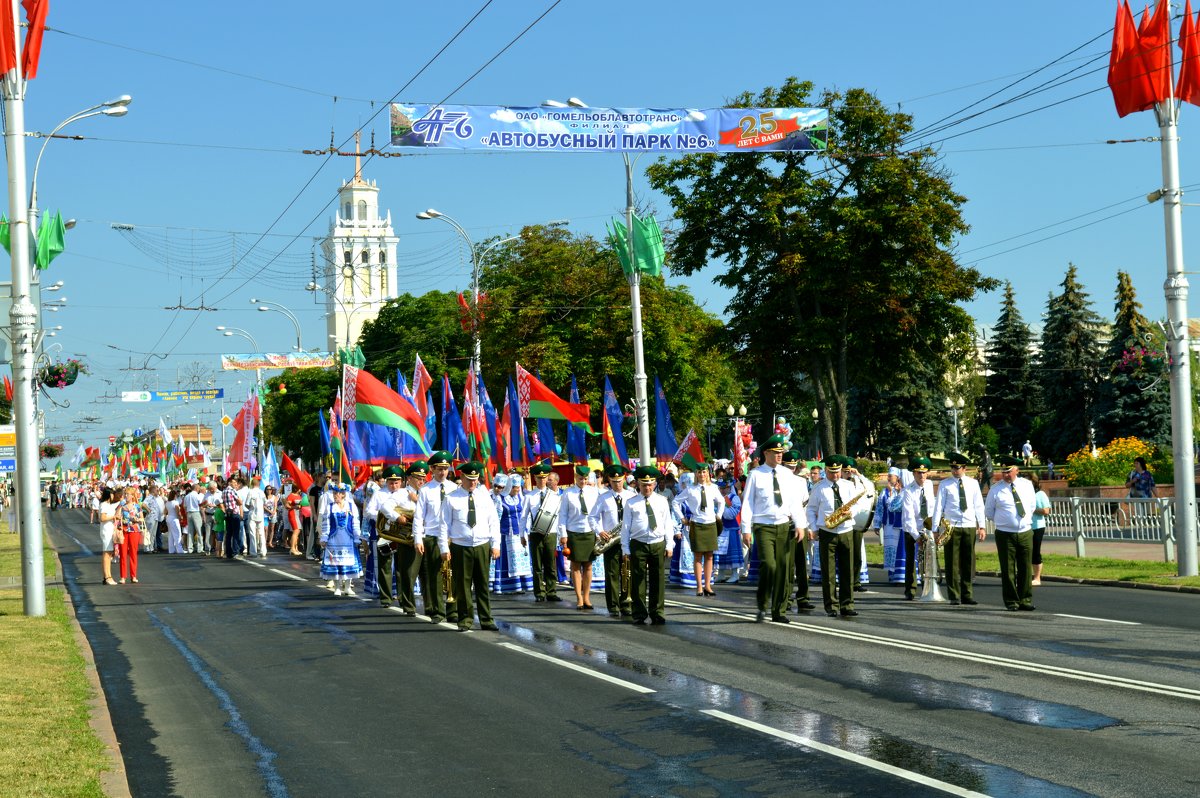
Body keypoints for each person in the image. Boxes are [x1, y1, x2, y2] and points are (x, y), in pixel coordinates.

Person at [741, 434, 808, 623]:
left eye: (781, 452)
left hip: (784, 525)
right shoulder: (755, 475)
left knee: (783, 569)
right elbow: (747, 504)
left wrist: (800, 524)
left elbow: (794, 502)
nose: (779, 456)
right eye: (775, 452)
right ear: (766, 453)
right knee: (769, 565)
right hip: (763, 525)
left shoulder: (787, 475)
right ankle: (762, 603)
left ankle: (779, 610)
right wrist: (746, 529)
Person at [438, 461, 501, 632]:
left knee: (483, 583)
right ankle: (465, 619)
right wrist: (444, 548)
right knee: (463, 585)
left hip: (482, 544)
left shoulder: (484, 497)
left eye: (475, 479)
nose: (473, 482)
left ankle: (486, 619)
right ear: (461, 477)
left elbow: (493, 521)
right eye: (469, 479)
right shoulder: (451, 498)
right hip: (460, 545)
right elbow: (444, 525)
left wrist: (496, 544)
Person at [620, 465, 675, 625]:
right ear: (638, 484)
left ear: (655, 484)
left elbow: (667, 524)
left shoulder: (662, 501)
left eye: (650, 484)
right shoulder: (631, 503)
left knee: (658, 580)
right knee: (638, 581)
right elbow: (626, 528)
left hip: (657, 543)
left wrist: (669, 545)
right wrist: (625, 548)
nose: (647, 487)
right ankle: (639, 613)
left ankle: (657, 612)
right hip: (638, 544)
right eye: (644, 485)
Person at [931, 451, 987, 605]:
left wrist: (981, 526)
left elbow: (978, 506)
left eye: (958, 468)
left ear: (964, 468)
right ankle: (954, 595)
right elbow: (938, 507)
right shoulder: (945, 484)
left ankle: (967, 594)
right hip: (952, 527)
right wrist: (935, 529)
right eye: (953, 468)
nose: (955, 471)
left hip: (969, 525)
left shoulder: (973, 483)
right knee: (952, 562)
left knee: (968, 561)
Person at [806, 455, 858, 617]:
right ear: (825, 470)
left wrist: (851, 512)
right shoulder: (819, 487)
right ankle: (831, 606)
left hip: (846, 530)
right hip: (827, 532)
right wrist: (813, 528)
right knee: (828, 572)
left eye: (837, 472)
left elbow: (858, 505)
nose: (835, 475)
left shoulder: (849, 486)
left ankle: (847, 604)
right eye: (831, 472)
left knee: (847, 569)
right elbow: (811, 510)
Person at [984, 455, 1037, 611]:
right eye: (1003, 471)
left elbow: (1032, 506)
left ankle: (1025, 599)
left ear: (1016, 470)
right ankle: (1011, 601)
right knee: (1008, 569)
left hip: (1025, 531)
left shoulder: (1027, 485)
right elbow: (989, 512)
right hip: (1005, 533)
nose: (1006, 475)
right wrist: (1005, 521)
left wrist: (1023, 520)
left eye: (1008, 471)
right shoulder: (996, 489)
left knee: (1025, 568)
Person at [411, 451, 458, 624]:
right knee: (435, 575)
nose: (443, 472)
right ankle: (438, 611)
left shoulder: (454, 488)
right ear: (432, 469)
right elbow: (419, 517)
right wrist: (418, 539)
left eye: (445, 469)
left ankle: (453, 609)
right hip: (432, 536)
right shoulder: (425, 490)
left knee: (453, 574)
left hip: (452, 537)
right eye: (439, 469)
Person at [673, 462, 726, 597]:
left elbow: (721, 501)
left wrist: (718, 516)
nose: (702, 475)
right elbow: (675, 502)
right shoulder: (690, 489)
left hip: (710, 524)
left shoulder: (713, 487)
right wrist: (682, 518)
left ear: (708, 473)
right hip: (696, 524)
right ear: (696, 474)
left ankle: (708, 585)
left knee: (709, 556)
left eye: (704, 472)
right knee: (697, 556)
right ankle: (699, 587)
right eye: (699, 472)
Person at [590, 463, 636, 617]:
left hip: (629, 540)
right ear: (609, 480)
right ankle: (613, 606)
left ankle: (627, 604)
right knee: (612, 574)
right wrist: (600, 531)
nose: (617, 484)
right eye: (614, 481)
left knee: (628, 572)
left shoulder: (632, 496)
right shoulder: (603, 498)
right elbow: (592, 517)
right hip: (611, 540)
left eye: (620, 480)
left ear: (624, 479)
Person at [368, 465, 416, 611]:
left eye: (396, 482)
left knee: (402, 567)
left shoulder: (406, 493)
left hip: (402, 535)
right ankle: (386, 597)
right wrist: (385, 518)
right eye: (390, 482)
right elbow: (369, 511)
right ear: (386, 481)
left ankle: (403, 597)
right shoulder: (379, 494)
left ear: (401, 482)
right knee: (385, 565)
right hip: (386, 533)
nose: (393, 485)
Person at [559, 465, 600, 610]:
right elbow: (562, 515)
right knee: (575, 566)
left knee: (588, 565)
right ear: (576, 478)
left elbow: (597, 513)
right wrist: (563, 534)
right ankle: (579, 598)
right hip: (574, 532)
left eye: (585, 478)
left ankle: (587, 596)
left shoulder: (594, 492)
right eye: (581, 478)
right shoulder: (568, 493)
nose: (583, 481)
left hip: (589, 532)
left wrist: (598, 531)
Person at [521, 463, 563, 603]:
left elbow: (560, 517)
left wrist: (562, 534)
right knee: (538, 565)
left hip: (550, 533)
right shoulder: (530, 496)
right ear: (535, 479)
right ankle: (539, 592)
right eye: (539, 478)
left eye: (544, 478)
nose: (542, 480)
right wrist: (522, 534)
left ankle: (551, 591)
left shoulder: (555, 496)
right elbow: (523, 516)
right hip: (535, 533)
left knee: (551, 564)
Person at [900, 457, 937, 601]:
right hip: (911, 528)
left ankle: (927, 588)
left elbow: (933, 508)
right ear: (913, 474)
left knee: (928, 559)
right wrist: (917, 537)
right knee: (911, 559)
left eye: (924, 473)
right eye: (918, 473)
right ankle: (910, 589)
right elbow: (908, 517)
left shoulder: (929, 485)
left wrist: (933, 528)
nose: (922, 476)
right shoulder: (908, 491)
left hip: (926, 527)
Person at [320, 482, 364, 595]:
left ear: (343, 494)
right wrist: (324, 537)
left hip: (347, 538)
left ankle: (348, 587)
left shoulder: (350, 506)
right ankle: (337, 587)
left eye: (337, 494)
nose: (334, 496)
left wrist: (357, 537)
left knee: (348, 560)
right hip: (334, 538)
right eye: (334, 493)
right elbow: (326, 524)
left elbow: (355, 522)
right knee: (335, 562)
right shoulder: (330, 507)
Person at [493, 472, 532, 595]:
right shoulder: (500, 499)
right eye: (515, 487)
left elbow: (526, 515)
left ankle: (522, 584)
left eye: (518, 487)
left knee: (521, 560)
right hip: (506, 534)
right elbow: (496, 518)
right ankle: (507, 585)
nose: (517, 489)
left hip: (519, 534)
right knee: (509, 561)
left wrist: (527, 531)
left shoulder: (521, 498)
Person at [871, 468, 907, 586]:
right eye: (888, 475)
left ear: (897, 477)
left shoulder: (903, 491)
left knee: (898, 549)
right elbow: (880, 508)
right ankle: (892, 575)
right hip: (888, 526)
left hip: (899, 525)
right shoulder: (885, 491)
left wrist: (894, 493)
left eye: (891, 476)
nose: (888, 478)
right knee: (890, 549)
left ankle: (900, 575)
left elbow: (895, 506)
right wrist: (877, 524)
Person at [714, 477, 743, 584]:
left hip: (730, 529)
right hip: (720, 529)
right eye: (720, 488)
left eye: (724, 488)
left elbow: (730, 515)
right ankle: (721, 574)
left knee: (732, 551)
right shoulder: (716, 498)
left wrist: (721, 505)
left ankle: (735, 574)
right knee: (719, 551)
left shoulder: (734, 498)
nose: (722, 490)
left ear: (729, 487)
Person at [116, 486, 145, 584]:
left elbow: (142, 519)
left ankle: (133, 576)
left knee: (133, 554)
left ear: (132, 495)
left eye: (128, 494)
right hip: (123, 530)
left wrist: (137, 520)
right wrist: (120, 510)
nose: (126, 496)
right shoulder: (122, 505)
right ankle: (123, 576)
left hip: (134, 531)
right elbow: (116, 516)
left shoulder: (137, 506)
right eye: (125, 494)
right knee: (123, 554)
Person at [1030, 474, 1051, 586]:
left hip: (1037, 526)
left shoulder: (1040, 494)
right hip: (1024, 526)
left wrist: (1032, 509)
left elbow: (1046, 511)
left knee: (1035, 551)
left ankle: (1037, 578)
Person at [99, 487, 119, 585]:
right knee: (107, 553)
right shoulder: (104, 505)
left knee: (109, 553)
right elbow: (102, 518)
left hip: (109, 530)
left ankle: (106, 576)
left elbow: (117, 504)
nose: (113, 496)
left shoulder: (108, 505)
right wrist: (113, 517)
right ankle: (108, 576)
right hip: (106, 531)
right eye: (111, 494)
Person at [222, 476, 246, 560]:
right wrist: (238, 502)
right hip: (234, 513)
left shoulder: (224, 491)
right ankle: (235, 552)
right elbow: (240, 501)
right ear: (230, 483)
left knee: (229, 534)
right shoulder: (232, 491)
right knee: (236, 533)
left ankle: (228, 553)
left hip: (227, 513)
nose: (235, 484)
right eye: (234, 483)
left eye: (236, 483)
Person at [183, 482, 205, 555]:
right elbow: (201, 505)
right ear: (196, 489)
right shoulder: (197, 496)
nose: (199, 490)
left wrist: (186, 513)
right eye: (198, 488)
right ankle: (200, 548)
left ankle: (190, 548)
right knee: (199, 531)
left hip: (189, 513)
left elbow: (185, 506)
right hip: (196, 512)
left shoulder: (187, 496)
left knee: (190, 531)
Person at [165, 489, 184, 554]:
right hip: (174, 519)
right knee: (177, 534)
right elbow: (178, 512)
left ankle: (171, 550)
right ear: (174, 495)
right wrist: (181, 517)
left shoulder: (167, 502)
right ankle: (179, 550)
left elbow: (165, 512)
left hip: (169, 518)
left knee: (170, 534)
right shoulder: (175, 503)